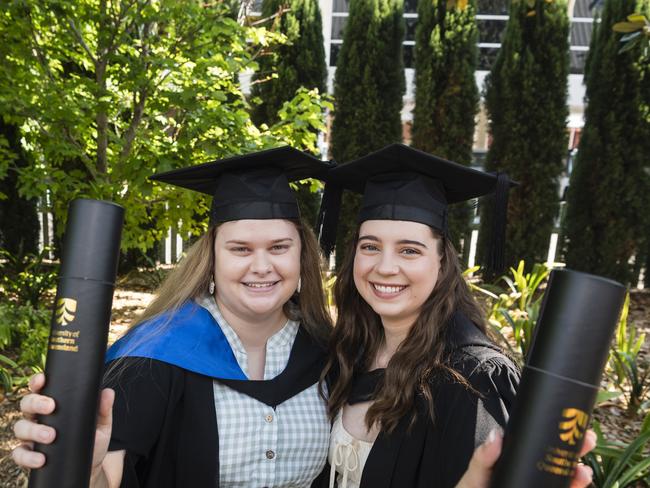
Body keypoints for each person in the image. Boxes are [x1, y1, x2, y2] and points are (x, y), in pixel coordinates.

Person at [13, 146, 335, 488]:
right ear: (211, 258)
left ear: (302, 254)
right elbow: (108, 477)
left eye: (279, 247)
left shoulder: (330, 355)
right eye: (240, 248)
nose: (261, 266)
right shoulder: (154, 356)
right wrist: (85, 471)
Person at [317, 143, 595, 488]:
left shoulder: (473, 379)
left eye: (409, 250)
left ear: (443, 261)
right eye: (370, 246)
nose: (385, 267)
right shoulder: (349, 352)